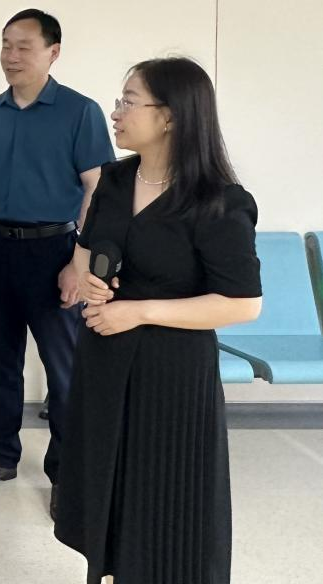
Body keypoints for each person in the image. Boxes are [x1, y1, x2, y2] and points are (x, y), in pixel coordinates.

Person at [55, 57, 262, 584]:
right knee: (108, 484)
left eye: (128, 101)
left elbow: (242, 303)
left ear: (169, 116)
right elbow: (85, 253)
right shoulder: (115, 179)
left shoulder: (218, 201)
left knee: (166, 498)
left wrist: (140, 311)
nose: (115, 113)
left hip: (172, 372)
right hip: (105, 357)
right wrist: (92, 283)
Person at [0, 9, 112, 520]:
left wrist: (79, 262)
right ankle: (0, 456)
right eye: (6, 44)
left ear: (53, 52)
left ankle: (66, 472)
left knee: (64, 370)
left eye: (24, 46)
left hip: (56, 251)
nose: (11, 55)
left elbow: (96, 189)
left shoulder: (80, 111)